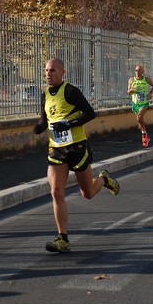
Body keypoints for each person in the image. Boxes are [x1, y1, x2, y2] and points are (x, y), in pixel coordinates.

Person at [33, 58, 120, 254]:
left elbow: (90, 113)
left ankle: (104, 180)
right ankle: (62, 238)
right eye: (46, 70)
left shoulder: (71, 91)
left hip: (76, 147)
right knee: (56, 192)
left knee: (87, 193)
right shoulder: (45, 94)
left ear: (62, 72)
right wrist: (39, 127)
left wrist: (70, 124)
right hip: (56, 149)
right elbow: (44, 119)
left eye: (52, 70)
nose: (48, 73)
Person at [127, 65, 153, 148]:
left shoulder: (146, 79)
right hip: (135, 103)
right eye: (136, 70)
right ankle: (146, 135)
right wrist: (132, 89)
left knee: (139, 117)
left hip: (144, 102)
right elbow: (128, 92)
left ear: (143, 71)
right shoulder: (131, 80)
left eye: (139, 70)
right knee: (139, 124)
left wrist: (150, 93)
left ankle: (144, 134)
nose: (137, 72)